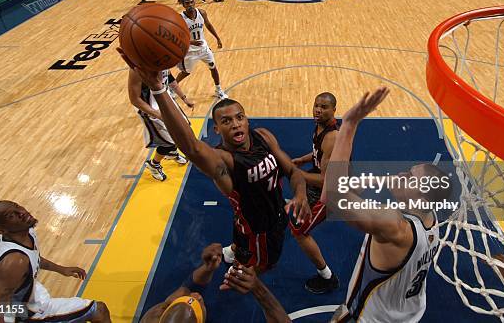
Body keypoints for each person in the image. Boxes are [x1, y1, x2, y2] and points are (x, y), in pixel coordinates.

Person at [117, 50, 312, 271]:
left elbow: (293, 172)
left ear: (247, 120)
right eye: (227, 121)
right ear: (217, 129)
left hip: (266, 217)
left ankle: (235, 251)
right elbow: (191, 147)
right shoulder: (223, 160)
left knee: (241, 237)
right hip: (259, 232)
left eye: (240, 117)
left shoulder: (264, 136)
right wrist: (158, 90)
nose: (236, 124)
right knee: (259, 268)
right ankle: (242, 271)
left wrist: (301, 194)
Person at [323, 89, 454, 322]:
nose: (403, 173)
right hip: (407, 314)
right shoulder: (431, 216)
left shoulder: (394, 225)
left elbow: (331, 197)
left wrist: (349, 125)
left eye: (410, 178)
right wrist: (381, 181)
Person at [0, 200, 111, 323]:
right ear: (2, 230)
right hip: (25, 315)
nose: (21, 212)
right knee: (99, 310)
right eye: (11, 216)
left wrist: (61, 269)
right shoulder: (15, 261)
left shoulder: (23, 232)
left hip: (27, 297)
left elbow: (33, 259)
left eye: (16, 206)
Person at [142, 243, 290, 322]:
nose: (198, 296)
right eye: (198, 304)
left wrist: (207, 269)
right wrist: (257, 287)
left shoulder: (153, 317)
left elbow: (188, 287)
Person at [290, 92, 340, 294]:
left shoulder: (332, 137)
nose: (318, 109)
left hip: (330, 191)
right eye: (316, 105)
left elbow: (326, 180)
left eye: (324, 107)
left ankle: (327, 277)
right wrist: (302, 161)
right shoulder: (320, 126)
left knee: (300, 232)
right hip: (319, 180)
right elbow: (318, 153)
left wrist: (297, 173)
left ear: (334, 110)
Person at [128, 68, 191, 181]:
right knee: (169, 141)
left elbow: (171, 81)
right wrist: (158, 115)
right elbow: (135, 99)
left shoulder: (164, 58)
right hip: (151, 109)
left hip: (167, 101)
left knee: (183, 129)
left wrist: (184, 98)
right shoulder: (137, 68)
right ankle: (154, 165)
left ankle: (171, 153)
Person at [176, 0, 228, 100]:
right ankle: (172, 88)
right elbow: (176, 36)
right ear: (183, 5)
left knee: (213, 67)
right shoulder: (180, 18)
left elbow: (208, 25)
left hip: (203, 48)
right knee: (186, 72)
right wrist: (191, 42)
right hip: (189, 51)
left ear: (194, 3)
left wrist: (217, 38)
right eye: (187, 3)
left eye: (191, 2)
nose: (190, 5)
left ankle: (218, 90)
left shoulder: (202, 13)